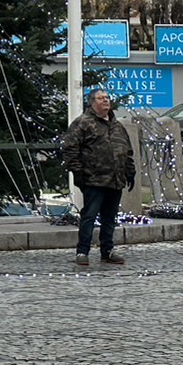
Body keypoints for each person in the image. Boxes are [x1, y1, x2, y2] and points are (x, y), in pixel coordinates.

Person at [61, 88, 135, 267]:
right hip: (93, 179)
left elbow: (128, 151)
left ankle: (107, 250)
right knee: (89, 216)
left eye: (107, 98)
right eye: (101, 98)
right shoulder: (83, 123)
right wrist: (78, 174)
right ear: (92, 102)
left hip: (115, 180)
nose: (105, 101)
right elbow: (70, 150)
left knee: (110, 217)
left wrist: (130, 172)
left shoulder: (117, 126)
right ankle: (82, 251)